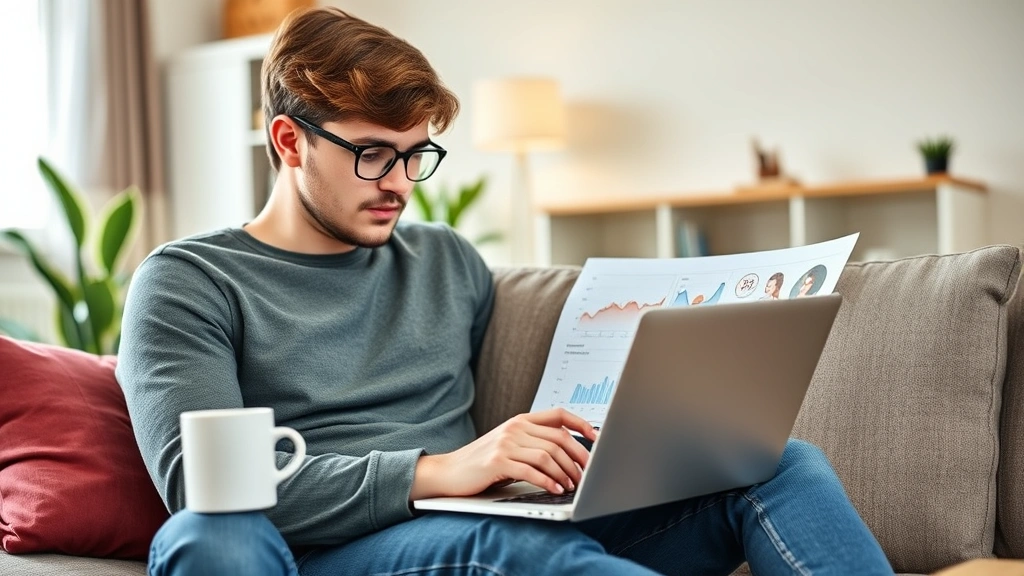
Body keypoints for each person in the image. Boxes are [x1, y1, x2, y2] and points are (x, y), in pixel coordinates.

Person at [117, 7, 894, 575]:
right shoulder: (191, 281)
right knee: (503, 548)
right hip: (332, 550)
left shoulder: (448, 264)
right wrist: (439, 470)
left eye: (416, 156)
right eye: (373, 156)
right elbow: (201, 485)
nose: (399, 186)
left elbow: (572, 380)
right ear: (290, 142)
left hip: (488, 523)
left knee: (775, 461)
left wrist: (612, 440)